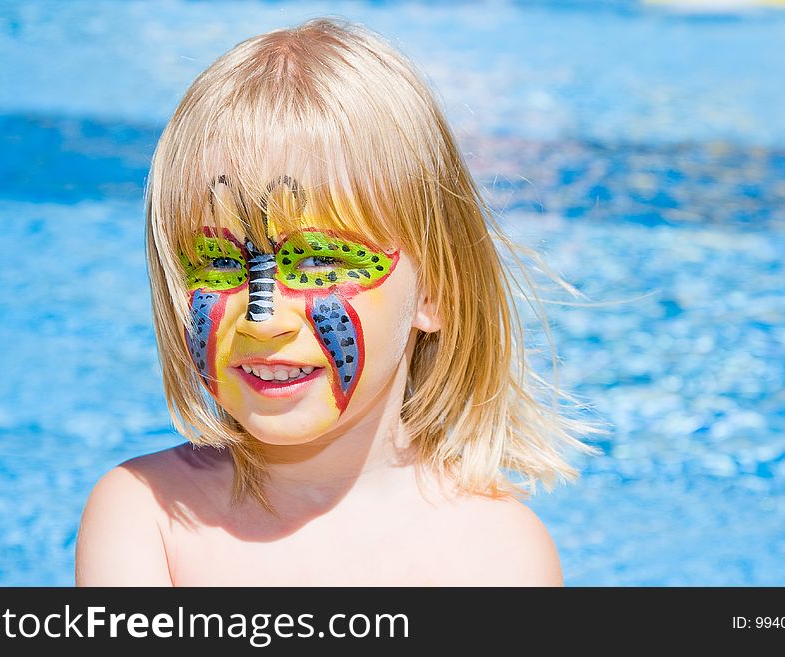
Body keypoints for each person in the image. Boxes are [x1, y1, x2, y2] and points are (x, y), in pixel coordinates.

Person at [75, 17, 601, 586]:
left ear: (436, 291)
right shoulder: (147, 516)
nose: (265, 319)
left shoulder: (494, 554)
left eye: (321, 265)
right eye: (221, 264)